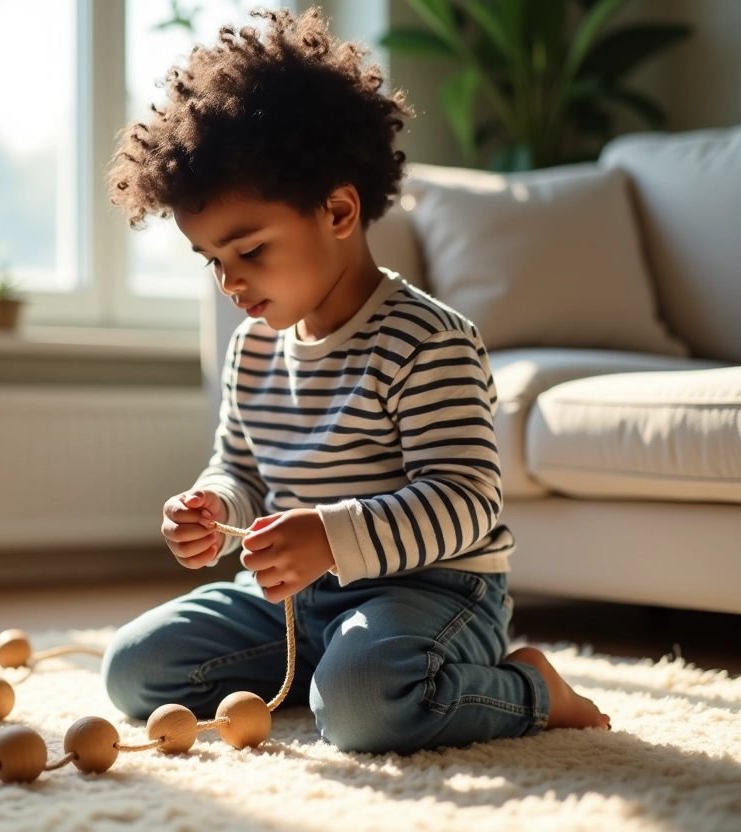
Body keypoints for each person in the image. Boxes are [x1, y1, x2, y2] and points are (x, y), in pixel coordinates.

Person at [101, 8, 609, 755]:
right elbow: (242, 467)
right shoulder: (252, 351)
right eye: (213, 260)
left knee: (365, 710)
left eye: (249, 250)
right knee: (133, 671)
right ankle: (332, 667)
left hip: (430, 592)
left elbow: (466, 501)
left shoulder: (428, 340)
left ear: (338, 210)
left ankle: (533, 689)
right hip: (289, 604)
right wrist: (214, 504)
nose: (230, 282)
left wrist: (331, 537)